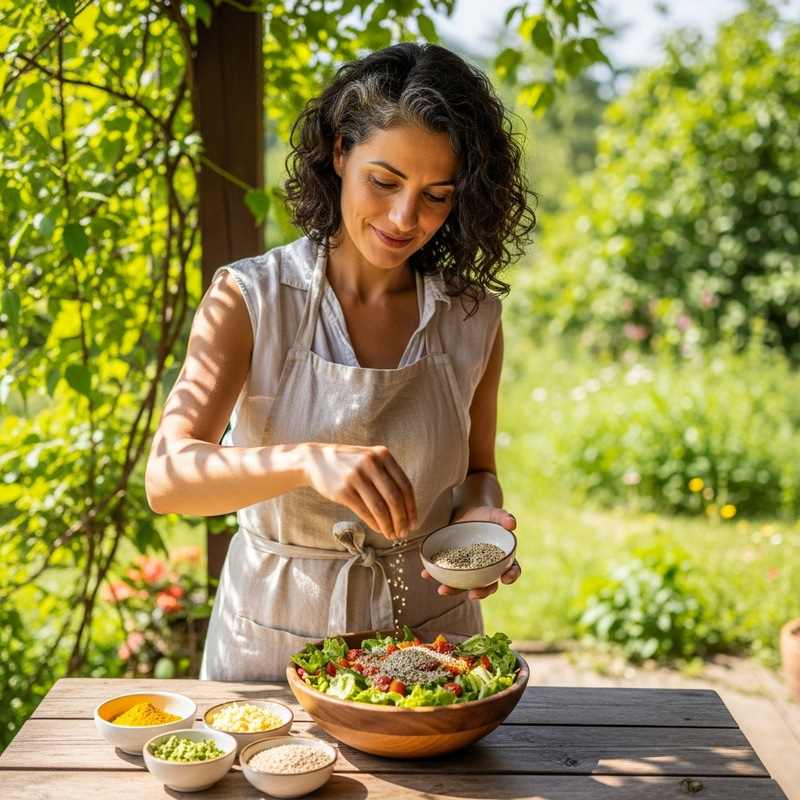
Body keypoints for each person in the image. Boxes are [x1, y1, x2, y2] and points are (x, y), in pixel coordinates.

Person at [145, 41, 536, 681]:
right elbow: (168, 478)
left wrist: (477, 521)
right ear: (338, 153)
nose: (404, 218)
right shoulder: (253, 298)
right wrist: (307, 460)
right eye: (384, 182)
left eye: (436, 195)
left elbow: (478, 471)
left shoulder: (472, 317)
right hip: (271, 643)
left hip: (432, 643)